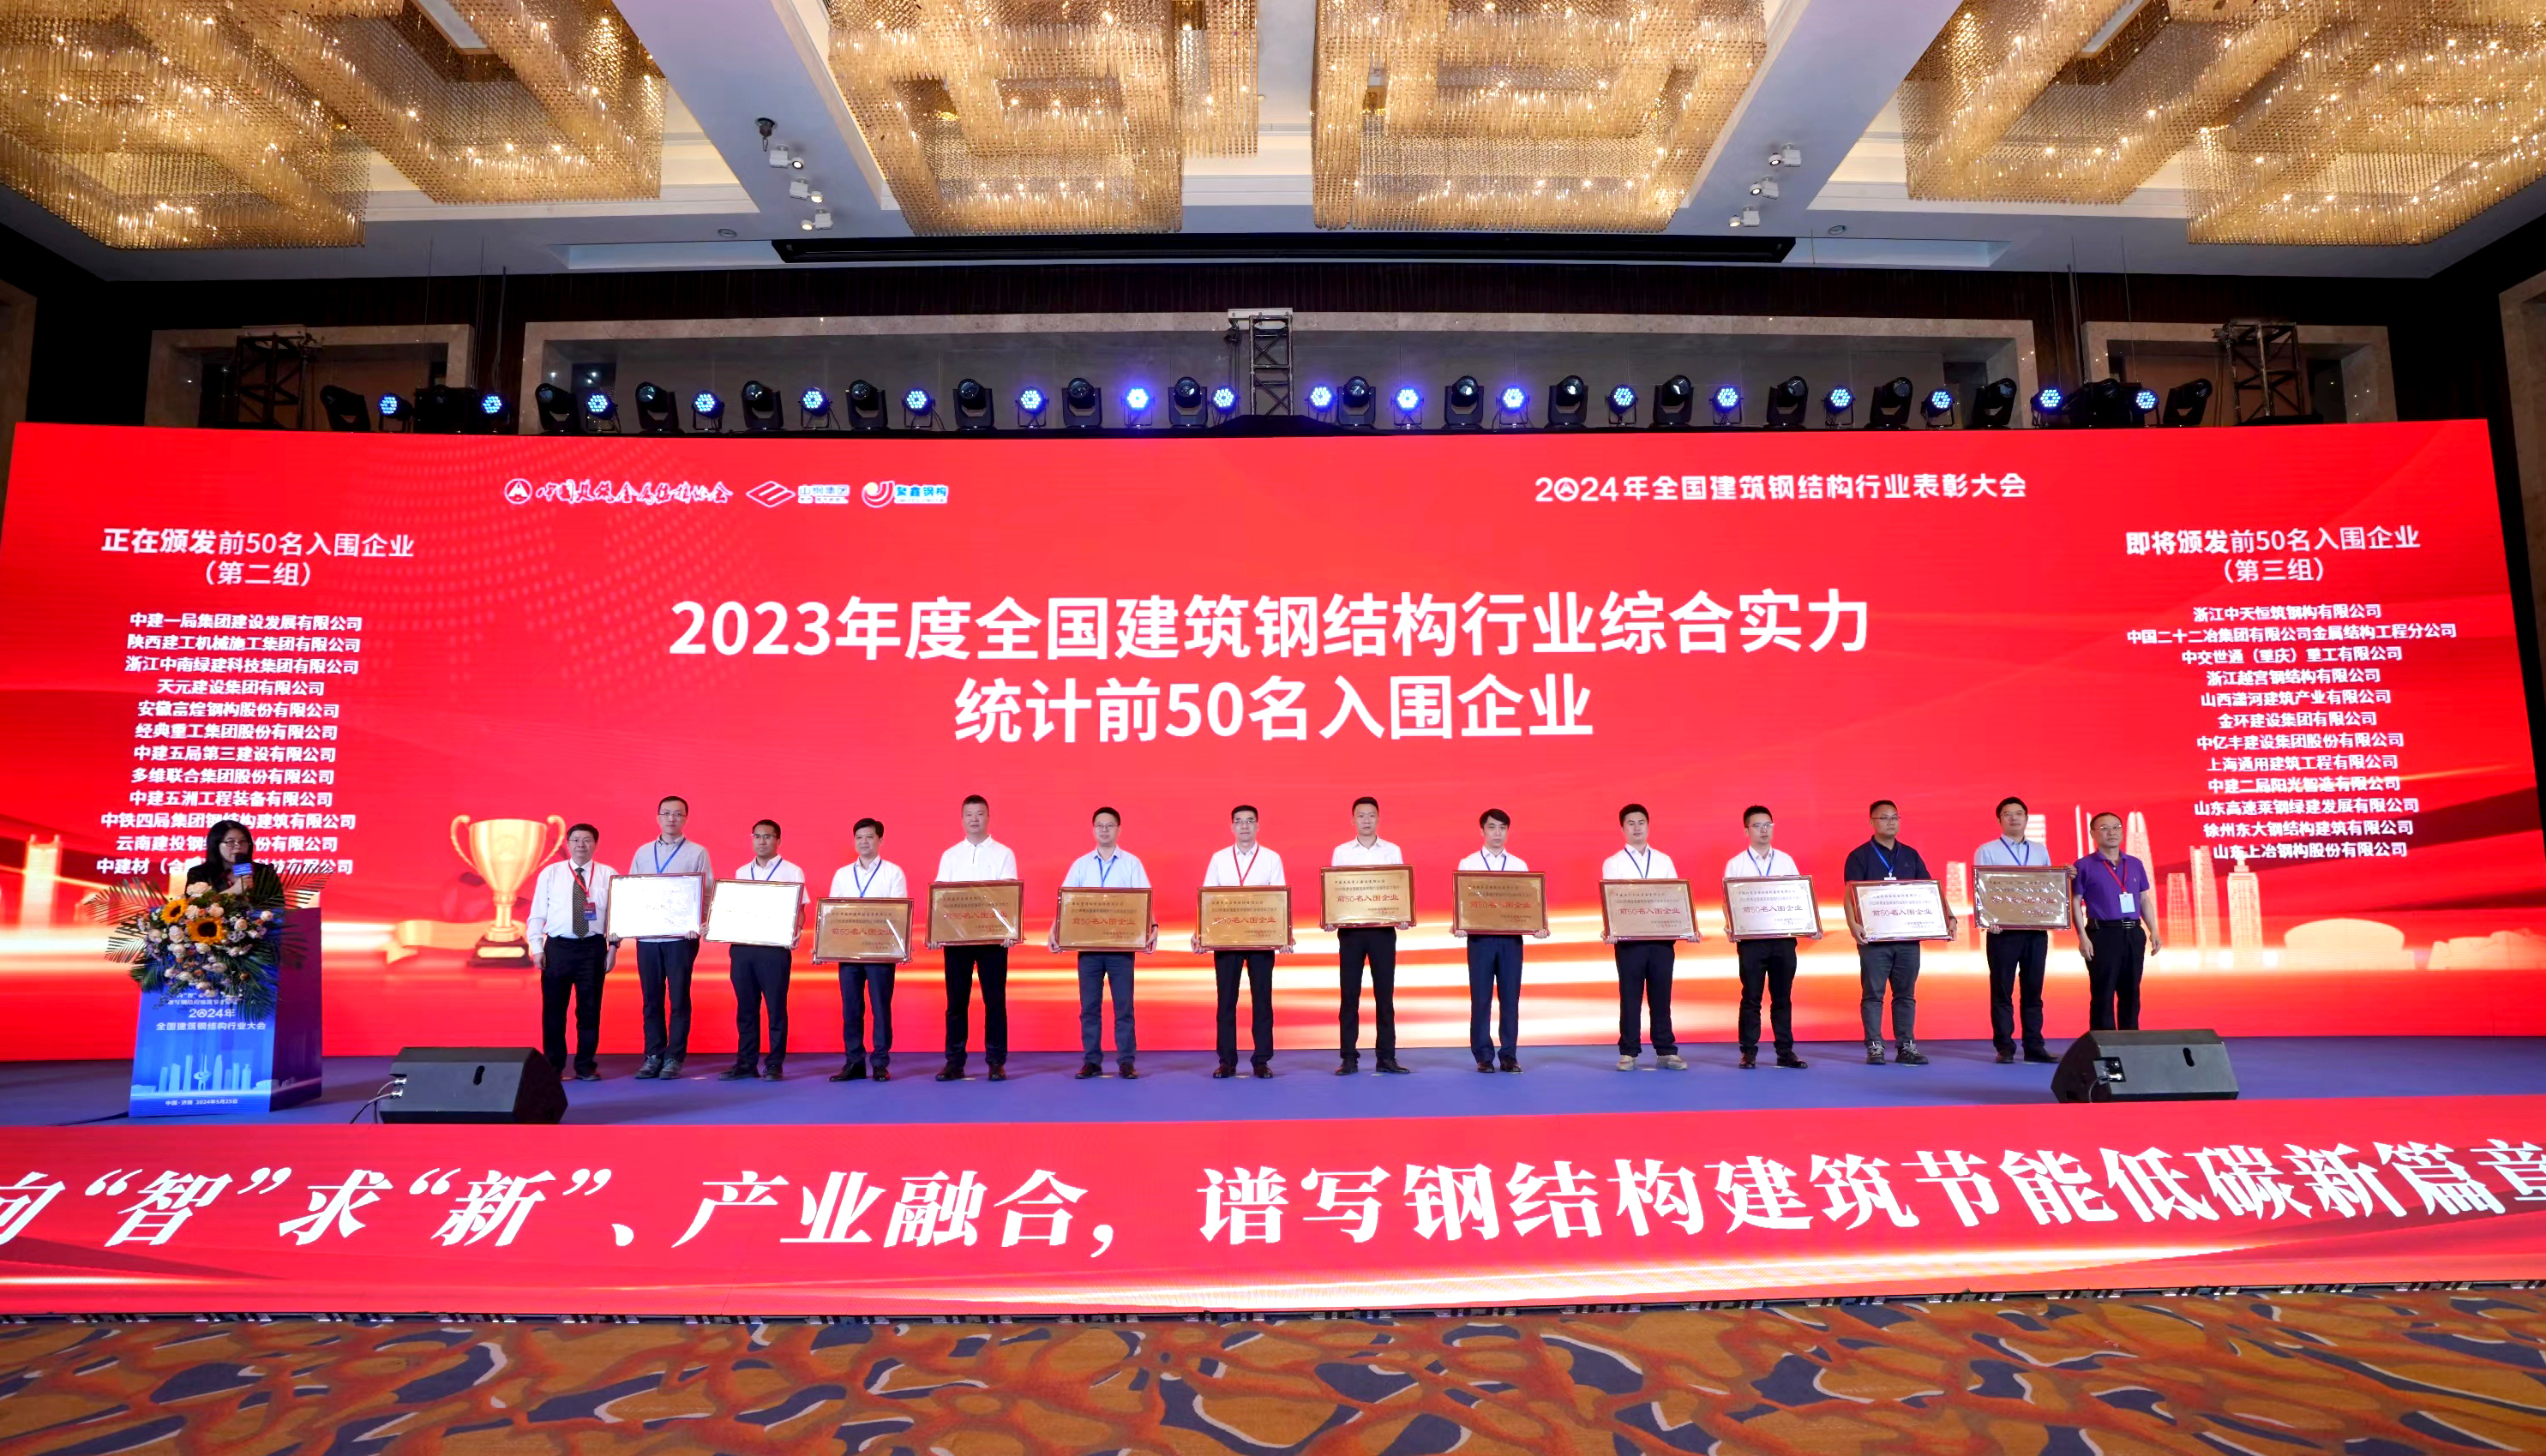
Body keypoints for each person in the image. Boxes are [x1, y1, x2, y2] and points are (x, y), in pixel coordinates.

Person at [1840, 800, 1955, 1067]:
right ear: (1871, 822)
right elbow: (1849, 894)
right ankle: (1875, 1046)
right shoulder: (1859, 856)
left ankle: (1906, 1046)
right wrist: (1852, 924)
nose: (1890, 822)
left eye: (1895, 817)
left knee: (1905, 994)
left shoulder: (1910, 855)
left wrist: (1949, 917)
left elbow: (1930, 890)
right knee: (1873, 994)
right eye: (1884, 817)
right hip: (1874, 939)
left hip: (1907, 939)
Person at [1052, 806, 1154, 1080]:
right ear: (1093, 829)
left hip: (1121, 949)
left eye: (1110, 826)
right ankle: (1092, 1062)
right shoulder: (1081, 865)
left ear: (1119, 829)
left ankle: (1126, 1062)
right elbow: (1066, 903)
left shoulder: (1132, 863)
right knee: (1089, 1008)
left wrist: (1152, 928)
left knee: (1124, 1008)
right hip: (1089, 950)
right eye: (1100, 825)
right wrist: (1055, 930)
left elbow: (1144, 901)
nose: (1105, 830)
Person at [1725, 805, 1820, 1070]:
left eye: (1768, 825)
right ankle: (1748, 1052)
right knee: (1751, 997)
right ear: (1746, 831)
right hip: (1751, 943)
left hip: (1783, 941)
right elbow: (1730, 902)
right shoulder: (1736, 864)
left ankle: (1785, 1052)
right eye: (1757, 826)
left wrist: (1811, 924)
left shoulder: (1786, 861)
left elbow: (1799, 897)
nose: (1764, 830)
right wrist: (1732, 925)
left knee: (1782, 997)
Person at [1602, 803, 1695, 1071]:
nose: (1637, 828)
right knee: (1630, 998)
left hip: (1661, 941)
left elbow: (1676, 899)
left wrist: (1687, 927)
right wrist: (1611, 928)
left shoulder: (1664, 861)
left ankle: (1666, 1051)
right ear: (1622, 828)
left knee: (1661, 998)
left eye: (1641, 822)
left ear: (1648, 825)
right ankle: (1628, 1053)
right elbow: (1613, 902)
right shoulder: (1613, 863)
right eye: (1631, 823)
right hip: (1629, 943)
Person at [934, 793, 1019, 1082]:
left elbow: (1008, 897)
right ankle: (954, 1062)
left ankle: (996, 1062)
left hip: (993, 941)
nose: (974, 819)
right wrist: (938, 933)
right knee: (956, 1003)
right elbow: (941, 899)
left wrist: (1009, 931)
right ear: (961, 819)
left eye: (980, 814)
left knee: (994, 1002)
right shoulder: (950, 855)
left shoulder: (1004, 853)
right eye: (969, 814)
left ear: (988, 817)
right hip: (957, 941)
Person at [1197, 804, 1284, 1078]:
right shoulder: (1219, 859)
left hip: (1260, 940)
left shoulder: (1271, 858)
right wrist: (1201, 933)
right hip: (1226, 940)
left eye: (1249, 821)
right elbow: (1208, 900)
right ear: (1232, 826)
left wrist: (1283, 934)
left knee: (1262, 1001)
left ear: (1258, 826)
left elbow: (1279, 901)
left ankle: (1261, 1061)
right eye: (1239, 821)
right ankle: (1227, 1061)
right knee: (1226, 1002)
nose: (1244, 826)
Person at [1456, 808, 1547, 1072]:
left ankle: (1509, 1055)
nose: (1497, 833)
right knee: (1481, 999)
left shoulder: (1519, 865)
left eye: (1502, 828)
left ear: (1508, 831)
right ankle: (1483, 1056)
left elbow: (1530, 904)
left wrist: (1538, 926)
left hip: (1511, 941)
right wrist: (1459, 924)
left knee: (1510, 999)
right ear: (1482, 831)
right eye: (1492, 827)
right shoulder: (1468, 863)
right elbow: (1462, 903)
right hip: (1480, 941)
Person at [525, 822, 615, 1082]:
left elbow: (616, 915)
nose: (581, 845)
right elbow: (537, 913)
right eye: (575, 840)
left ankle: (585, 1066)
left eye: (587, 840)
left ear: (595, 844)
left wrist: (613, 948)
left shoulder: (608, 874)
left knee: (590, 1010)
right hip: (558, 948)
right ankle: (553, 1066)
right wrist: (537, 947)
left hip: (593, 948)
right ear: (568, 844)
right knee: (554, 1010)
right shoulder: (551, 873)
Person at [632, 795, 712, 1081]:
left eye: (678, 814)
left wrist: (698, 923)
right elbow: (632, 890)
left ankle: (674, 1057)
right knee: (651, 999)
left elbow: (705, 892)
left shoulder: (697, 851)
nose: (671, 819)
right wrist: (628, 924)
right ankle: (653, 1055)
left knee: (679, 998)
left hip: (681, 938)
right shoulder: (643, 852)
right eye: (666, 813)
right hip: (648, 938)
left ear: (686, 819)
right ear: (658, 817)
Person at [1330, 795, 1409, 1076]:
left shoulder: (1392, 851)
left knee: (1384, 996)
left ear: (1378, 818)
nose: (1366, 820)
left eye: (1371, 815)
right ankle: (1348, 1058)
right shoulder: (1341, 852)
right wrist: (1332, 917)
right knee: (1349, 996)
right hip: (1351, 934)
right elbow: (1336, 891)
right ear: (1352, 820)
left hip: (1383, 933)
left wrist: (1403, 914)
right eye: (1361, 815)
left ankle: (1386, 1057)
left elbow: (1399, 890)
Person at [1975, 795, 2057, 1064]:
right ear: (1999, 820)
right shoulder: (1987, 850)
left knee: (2033, 991)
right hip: (2002, 932)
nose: (2014, 818)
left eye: (2019, 813)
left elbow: (2048, 886)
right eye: (2008, 814)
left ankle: (2034, 1046)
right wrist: (1988, 919)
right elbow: (1982, 888)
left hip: (2035, 931)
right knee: (2002, 991)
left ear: (2026, 818)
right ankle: (2005, 1047)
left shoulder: (2040, 850)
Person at [721, 819, 804, 1082]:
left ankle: (774, 1064)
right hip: (743, 948)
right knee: (746, 1008)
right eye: (757, 836)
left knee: (776, 1008)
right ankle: (746, 1063)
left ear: (778, 840)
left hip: (774, 951)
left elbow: (800, 911)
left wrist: (796, 931)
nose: (762, 841)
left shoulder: (792, 871)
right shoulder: (742, 871)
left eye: (768, 836)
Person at [826, 818, 905, 1083]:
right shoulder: (842, 874)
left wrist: (899, 947)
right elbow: (834, 914)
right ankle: (854, 1062)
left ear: (880, 840)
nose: (864, 842)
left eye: (870, 837)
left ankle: (880, 1063)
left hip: (880, 952)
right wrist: (825, 947)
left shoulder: (893, 873)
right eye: (859, 837)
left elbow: (898, 914)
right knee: (851, 1009)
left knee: (880, 1008)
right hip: (849, 952)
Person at [2073, 811, 2162, 1033]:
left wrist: (2154, 930)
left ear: (2122, 832)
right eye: (2104, 828)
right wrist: (2082, 937)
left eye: (2115, 827)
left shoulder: (2135, 863)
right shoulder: (2084, 865)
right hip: (2102, 934)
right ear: (2093, 833)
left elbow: (2143, 899)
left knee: (2131, 991)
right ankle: (2104, 1043)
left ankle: (2130, 1041)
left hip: (2133, 933)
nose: (2111, 832)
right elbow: (2075, 902)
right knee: (2103, 993)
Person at [184, 820, 285, 905]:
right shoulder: (199, 874)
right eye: (230, 842)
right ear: (216, 845)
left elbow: (278, 906)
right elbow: (192, 908)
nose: (238, 846)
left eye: (243, 841)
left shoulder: (265, 872)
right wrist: (232, 891)